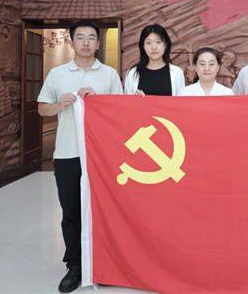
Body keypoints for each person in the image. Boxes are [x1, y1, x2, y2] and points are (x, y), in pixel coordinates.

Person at [37, 20, 123, 293]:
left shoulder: (109, 75)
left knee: (102, 209)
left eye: (91, 38)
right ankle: (74, 265)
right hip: (67, 153)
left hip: (101, 155)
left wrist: (99, 100)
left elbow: (121, 111)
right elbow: (41, 108)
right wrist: (58, 105)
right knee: (71, 210)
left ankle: (101, 263)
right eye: (81, 37)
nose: (86, 42)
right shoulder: (57, 74)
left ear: (98, 43)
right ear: (72, 41)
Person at [124, 24, 185, 96]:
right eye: (148, 43)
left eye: (158, 42)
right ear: (143, 46)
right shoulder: (132, 74)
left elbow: (180, 102)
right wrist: (135, 99)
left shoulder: (177, 73)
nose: (154, 47)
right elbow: (127, 102)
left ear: (165, 44)